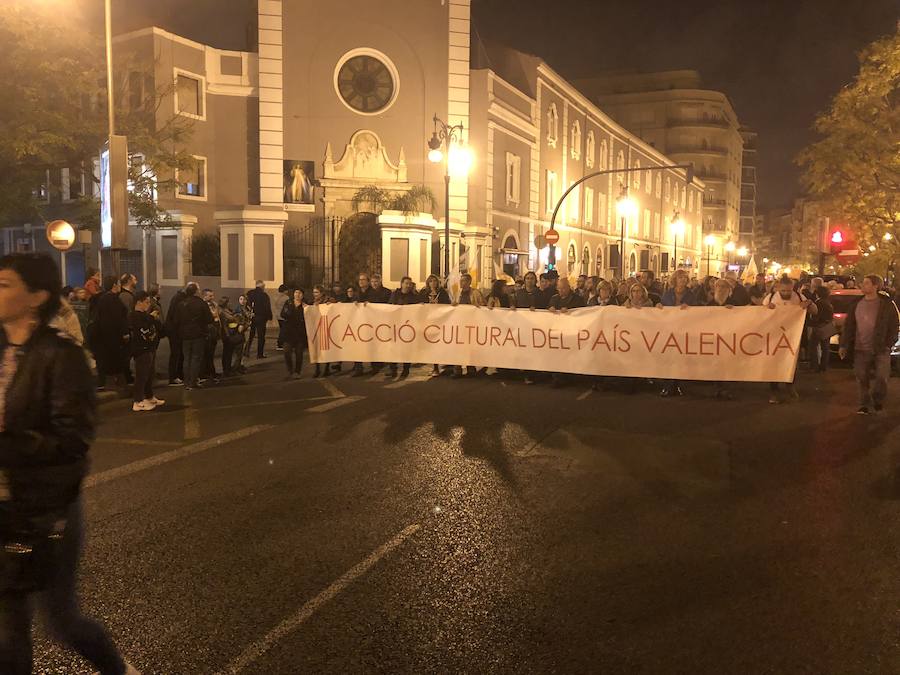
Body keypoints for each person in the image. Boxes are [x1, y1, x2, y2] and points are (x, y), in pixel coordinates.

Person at [0, 253, 139, 675]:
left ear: (36, 296)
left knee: (62, 621)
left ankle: (119, 669)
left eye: (5, 284)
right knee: (7, 632)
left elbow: (71, 441)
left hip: (46, 508)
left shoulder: (61, 355)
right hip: (1, 507)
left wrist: (8, 441)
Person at [839, 274, 900, 414]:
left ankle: (878, 400)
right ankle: (864, 404)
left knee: (882, 377)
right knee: (861, 377)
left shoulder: (886, 305)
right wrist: (844, 344)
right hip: (860, 348)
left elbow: (894, 325)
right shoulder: (856, 303)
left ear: (875, 286)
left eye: (866, 283)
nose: (863, 285)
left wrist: (889, 343)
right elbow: (849, 326)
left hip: (881, 348)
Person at [764, 275, 818, 404]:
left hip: (793, 337)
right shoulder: (771, 298)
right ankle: (774, 390)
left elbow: (815, 311)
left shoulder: (799, 297)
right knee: (774, 363)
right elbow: (760, 315)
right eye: (783, 291)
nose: (786, 293)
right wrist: (767, 309)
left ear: (793, 288)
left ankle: (790, 386)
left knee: (792, 363)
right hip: (775, 336)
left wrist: (809, 303)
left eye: (789, 290)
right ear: (778, 288)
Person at [90, 275, 128, 391]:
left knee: (105, 360)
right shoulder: (113, 299)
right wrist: (124, 332)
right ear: (114, 285)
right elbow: (119, 318)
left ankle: (105, 382)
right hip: (113, 337)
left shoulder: (101, 299)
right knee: (116, 360)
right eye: (118, 284)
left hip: (103, 337)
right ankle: (116, 384)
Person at [659, 270, 694, 397]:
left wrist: (690, 307)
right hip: (669, 330)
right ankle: (667, 385)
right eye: (680, 277)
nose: (683, 280)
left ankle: (678, 385)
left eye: (685, 277)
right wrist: (659, 307)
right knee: (668, 358)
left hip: (684, 330)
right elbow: (663, 306)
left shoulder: (691, 294)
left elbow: (698, 310)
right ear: (675, 279)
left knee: (680, 358)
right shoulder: (668, 294)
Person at [128, 290, 164, 412]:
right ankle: (137, 401)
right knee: (141, 375)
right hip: (141, 349)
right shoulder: (134, 316)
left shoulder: (145, 315)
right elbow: (142, 327)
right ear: (139, 302)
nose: (148, 304)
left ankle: (149, 396)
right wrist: (151, 317)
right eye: (146, 302)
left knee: (149, 374)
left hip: (150, 347)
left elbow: (156, 325)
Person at [175, 282, 214, 391]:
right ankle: (193, 382)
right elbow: (209, 319)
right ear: (196, 291)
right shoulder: (200, 303)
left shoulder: (181, 303)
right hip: (198, 333)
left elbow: (176, 320)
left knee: (187, 358)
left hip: (185, 334)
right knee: (196, 358)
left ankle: (187, 381)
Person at [706, 279, 737, 400]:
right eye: (718, 286)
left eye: (724, 287)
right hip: (713, 338)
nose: (720, 289)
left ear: (729, 290)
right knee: (715, 363)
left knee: (728, 363)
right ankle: (717, 387)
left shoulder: (735, 303)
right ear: (714, 289)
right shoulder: (709, 306)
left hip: (729, 338)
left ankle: (727, 388)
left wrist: (734, 311)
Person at [452, 273, 484, 378]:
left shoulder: (475, 293)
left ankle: (471, 368)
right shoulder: (457, 293)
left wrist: (477, 306)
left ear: (469, 282)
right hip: (459, 324)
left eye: (464, 280)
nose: (462, 282)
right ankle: (457, 369)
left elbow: (483, 306)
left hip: (472, 324)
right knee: (458, 347)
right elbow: (452, 306)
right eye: (461, 280)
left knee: (471, 347)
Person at [388, 276, 419, 378]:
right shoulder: (395, 294)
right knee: (393, 349)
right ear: (401, 284)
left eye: (410, 284)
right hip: (395, 325)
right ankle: (393, 369)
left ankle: (406, 369)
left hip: (408, 326)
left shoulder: (414, 296)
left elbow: (418, 308)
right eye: (406, 283)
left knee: (406, 349)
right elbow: (390, 307)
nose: (408, 285)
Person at [420, 274, 450, 377]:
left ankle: (447, 365)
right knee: (432, 345)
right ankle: (435, 367)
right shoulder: (424, 292)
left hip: (440, 321)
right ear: (428, 283)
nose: (433, 283)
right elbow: (419, 304)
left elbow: (448, 304)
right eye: (431, 281)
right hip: (429, 321)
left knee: (441, 344)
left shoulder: (442, 293)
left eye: (435, 281)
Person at [280, 288, 307, 379]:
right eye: (296, 292)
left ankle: (297, 371)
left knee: (299, 354)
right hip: (288, 333)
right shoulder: (288, 302)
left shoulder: (306, 305)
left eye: (299, 293)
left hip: (300, 334)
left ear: (302, 295)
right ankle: (290, 370)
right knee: (287, 352)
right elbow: (283, 314)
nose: (297, 294)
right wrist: (290, 311)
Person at [809, 286, 836, 372]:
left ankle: (815, 366)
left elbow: (816, 315)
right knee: (825, 347)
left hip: (819, 326)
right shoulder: (828, 302)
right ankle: (823, 366)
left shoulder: (818, 303)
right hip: (827, 326)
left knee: (813, 346)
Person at [165, 285, 187, 386]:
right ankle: (173, 377)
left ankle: (178, 375)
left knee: (178, 354)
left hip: (175, 330)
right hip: (175, 331)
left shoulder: (178, 298)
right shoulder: (179, 299)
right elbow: (176, 316)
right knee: (176, 354)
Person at [311, 285, 335, 378]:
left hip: (327, 327)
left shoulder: (329, 300)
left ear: (321, 293)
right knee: (317, 349)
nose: (315, 294)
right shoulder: (314, 302)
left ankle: (326, 368)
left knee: (326, 349)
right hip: (317, 327)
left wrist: (329, 305)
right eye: (314, 292)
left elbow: (336, 308)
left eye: (316, 292)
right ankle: (317, 369)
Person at [218, 296, 244, 377]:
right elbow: (225, 325)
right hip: (228, 334)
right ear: (226, 303)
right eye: (229, 302)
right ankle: (226, 370)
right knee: (227, 353)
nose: (231, 303)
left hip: (230, 333)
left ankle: (228, 369)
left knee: (229, 353)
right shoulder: (223, 312)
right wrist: (227, 335)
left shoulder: (228, 311)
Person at [245, 280, 272, 359]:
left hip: (251, 317)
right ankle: (260, 354)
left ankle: (246, 351)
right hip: (261, 318)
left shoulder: (249, 293)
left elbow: (246, 304)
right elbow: (267, 307)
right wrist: (269, 316)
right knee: (261, 336)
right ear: (262, 286)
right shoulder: (264, 295)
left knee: (250, 335)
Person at [201, 289, 221, 384]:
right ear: (204, 296)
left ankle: (211, 372)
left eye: (212, 295)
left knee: (211, 353)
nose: (212, 298)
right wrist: (214, 313)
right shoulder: (203, 305)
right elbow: (211, 316)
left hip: (214, 332)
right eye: (210, 296)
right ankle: (208, 373)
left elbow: (217, 316)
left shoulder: (213, 305)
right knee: (207, 354)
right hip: (208, 332)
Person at [273, 284, 291, 352]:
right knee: (283, 331)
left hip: (278, 315)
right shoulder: (286, 298)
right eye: (287, 290)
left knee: (282, 330)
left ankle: (281, 343)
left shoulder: (276, 296)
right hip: (284, 316)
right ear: (285, 290)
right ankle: (280, 344)